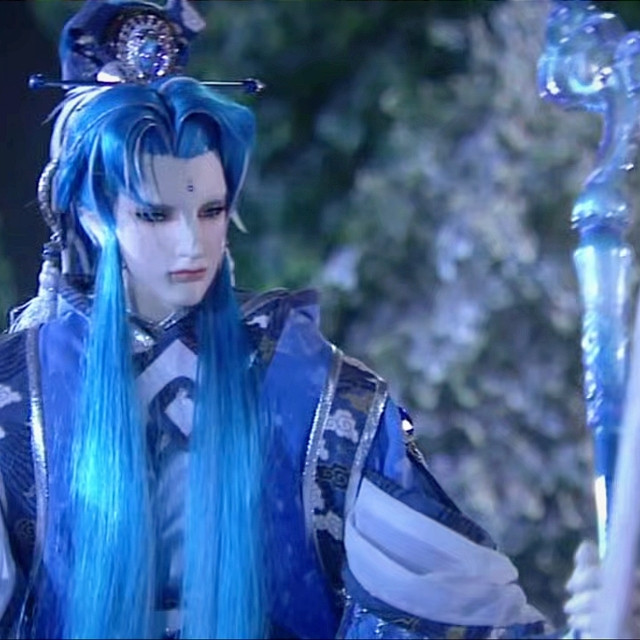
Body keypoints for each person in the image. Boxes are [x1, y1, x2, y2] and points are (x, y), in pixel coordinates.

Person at [0, 1, 551, 638]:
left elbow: (448, 602)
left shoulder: (307, 383)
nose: (191, 244)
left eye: (210, 211)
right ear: (93, 219)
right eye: (155, 215)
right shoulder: (19, 397)